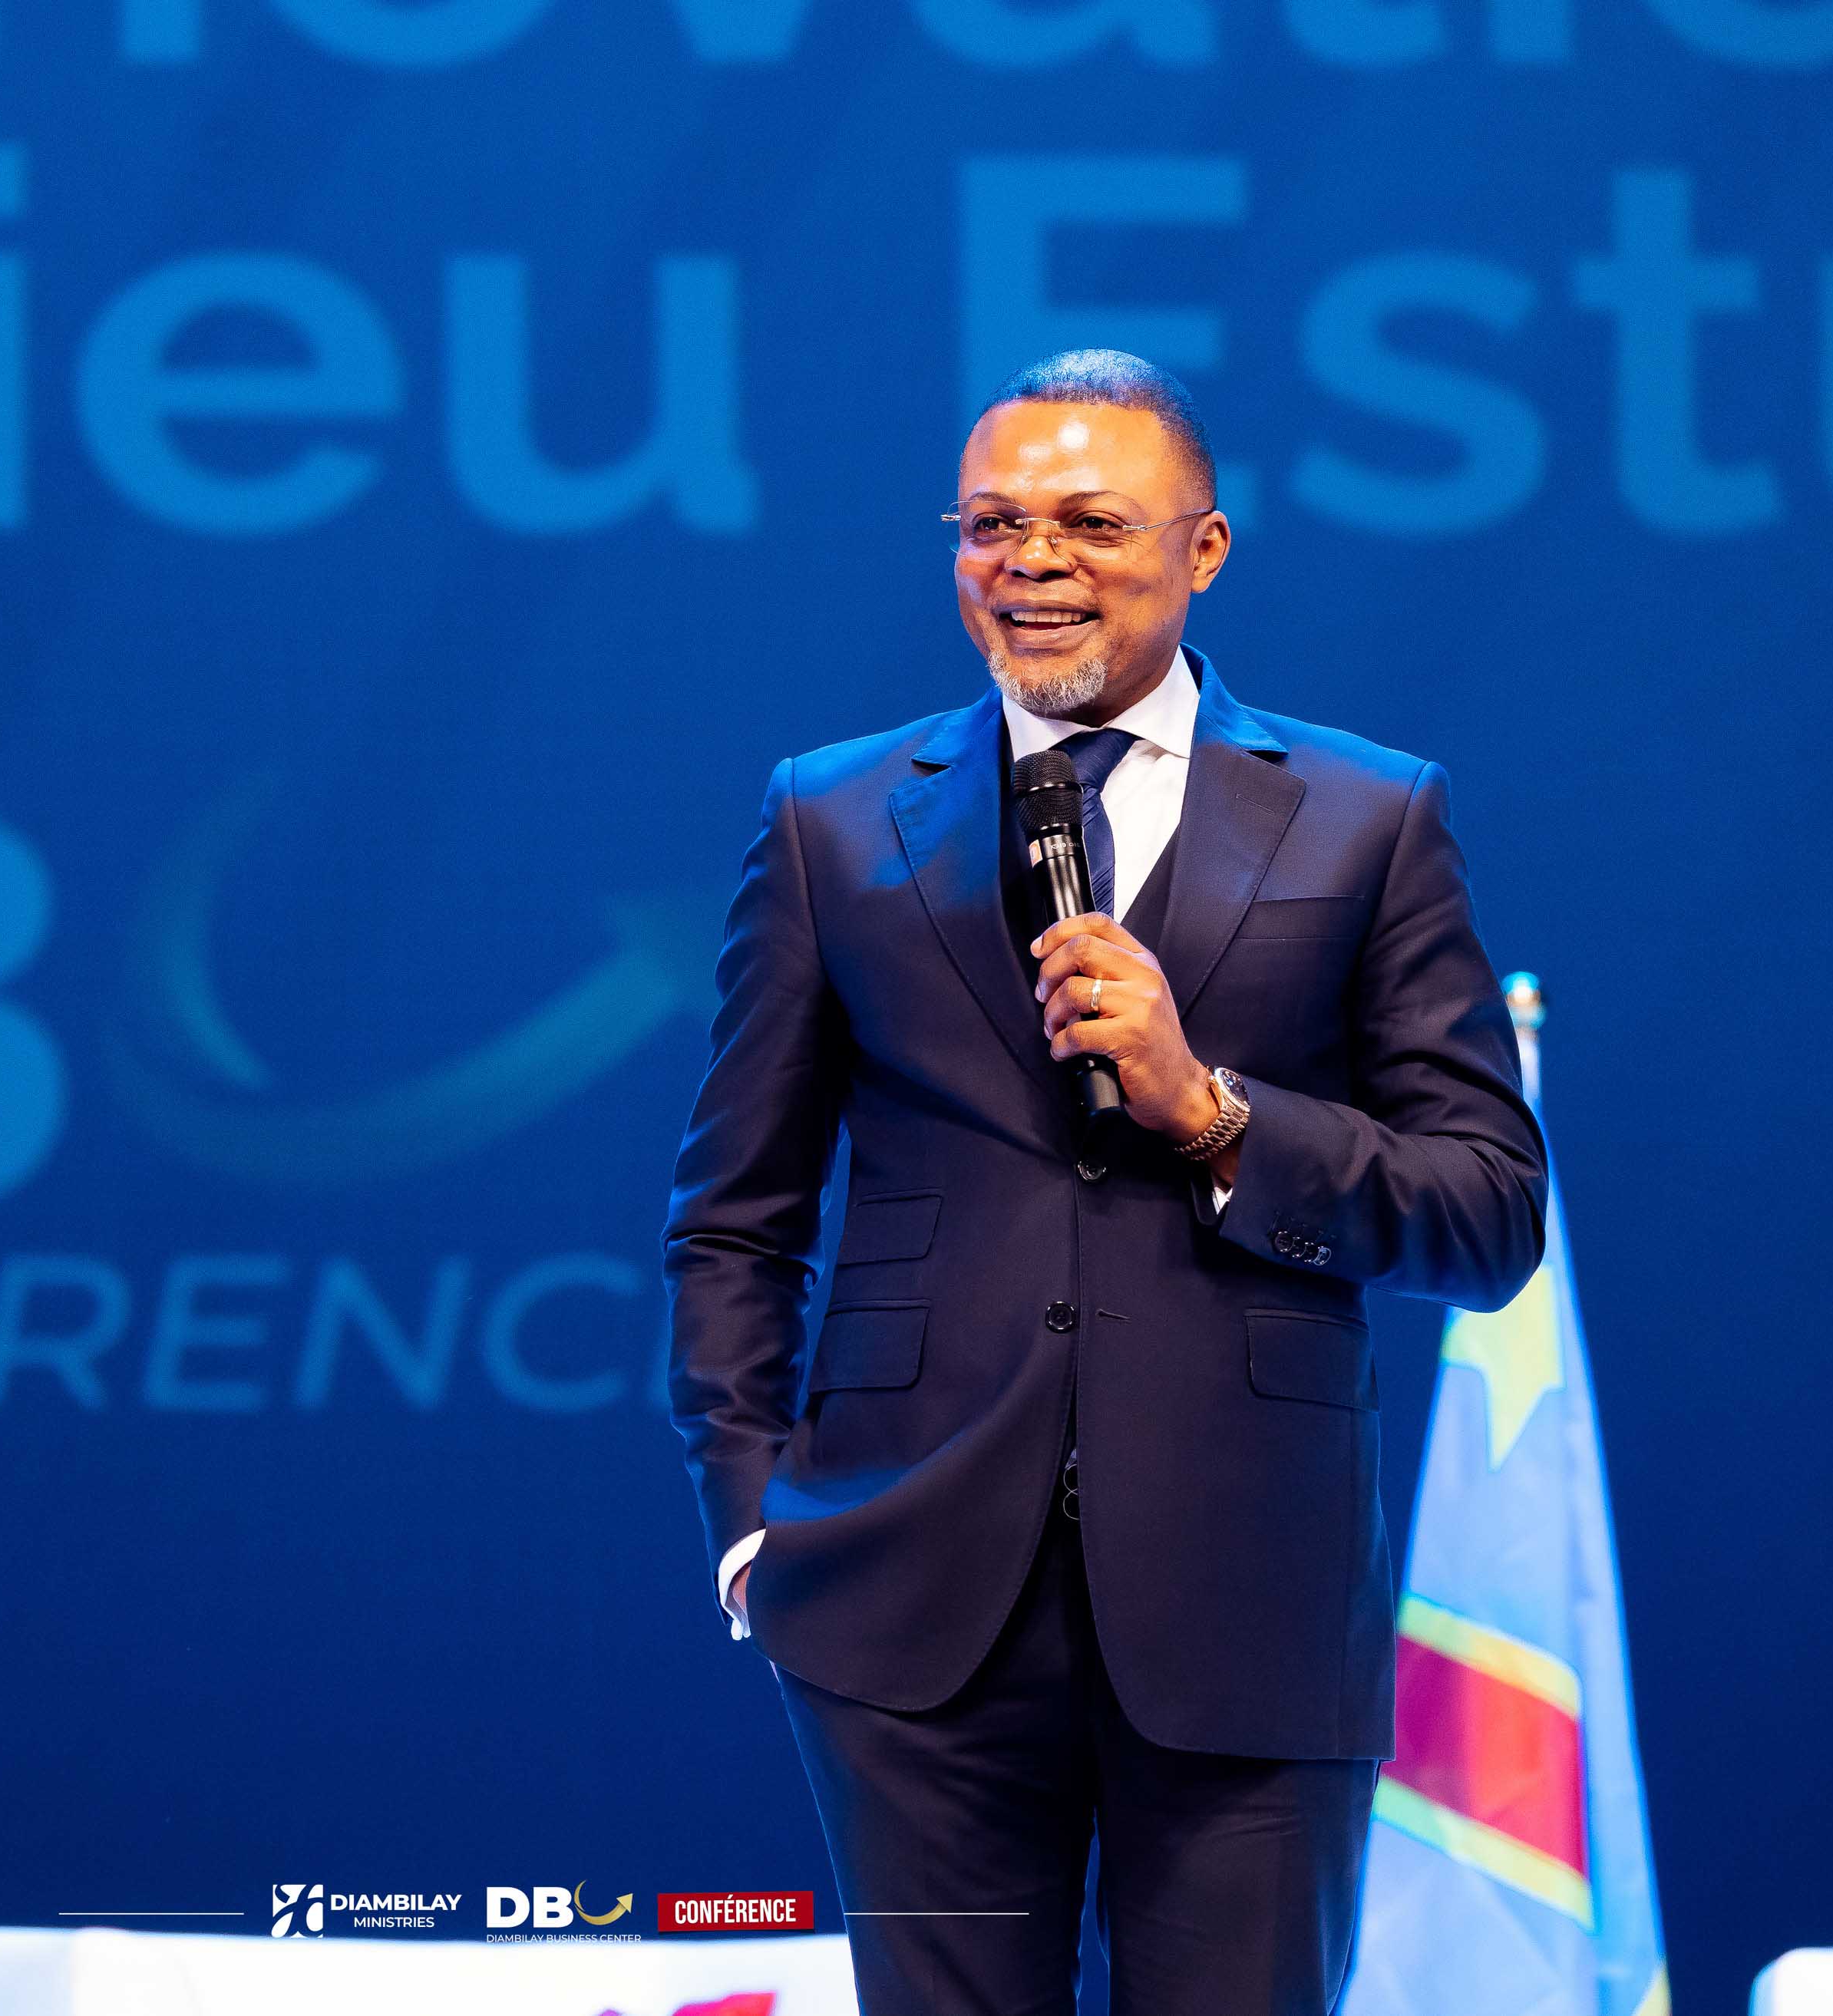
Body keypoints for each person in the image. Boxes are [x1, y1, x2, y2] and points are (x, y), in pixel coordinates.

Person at [660, 349, 1549, 2015]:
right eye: (991, 524)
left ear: (1202, 549)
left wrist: (1211, 1112)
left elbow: (1487, 1212)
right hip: (904, 1608)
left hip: (1252, 1601)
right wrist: (750, 1523)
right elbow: (733, 1216)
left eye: (1088, 521)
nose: (1032, 562)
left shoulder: (1367, 819)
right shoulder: (832, 820)